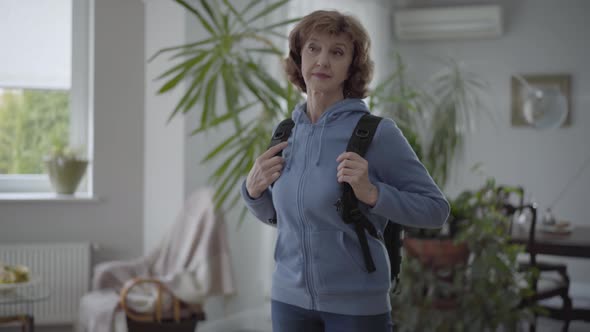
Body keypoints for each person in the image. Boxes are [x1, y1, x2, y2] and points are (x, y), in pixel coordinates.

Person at [241, 9, 449, 332]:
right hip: (288, 302)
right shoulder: (286, 134)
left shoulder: (376, 133)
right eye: (313, 48)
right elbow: (285, 218)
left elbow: (436, 210)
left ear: (352, 66)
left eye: (337, 52)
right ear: (299, 56)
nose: (322, 61)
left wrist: (374, 194)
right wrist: (252, 193)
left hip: (357, 307)